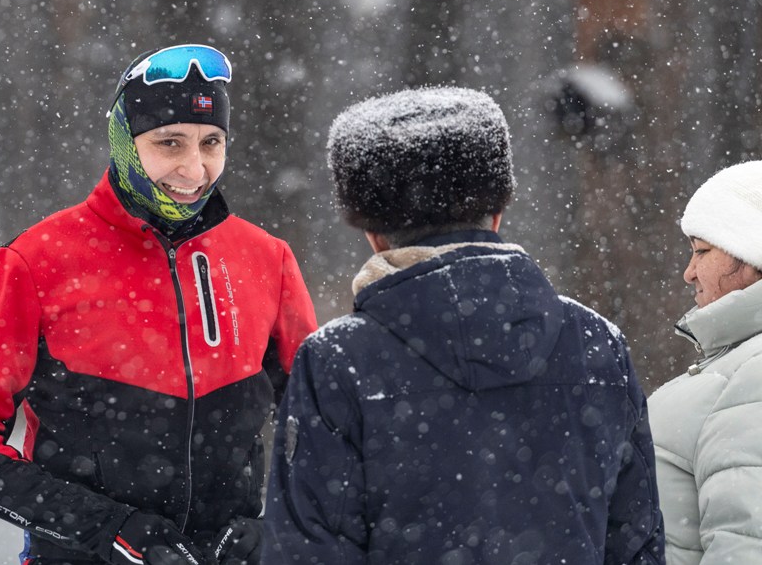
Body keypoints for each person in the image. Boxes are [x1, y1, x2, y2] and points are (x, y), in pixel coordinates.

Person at [0, 44, 318, 565]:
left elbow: (323, 426)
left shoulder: (267, 259)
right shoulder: (36, 261)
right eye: (169, 143)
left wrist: (277, 529)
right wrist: (107, 530)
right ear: (124, 143)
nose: (194, 168)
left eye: (211, 143)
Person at [262, 87, 665, 563]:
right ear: (497, 213)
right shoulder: (599, 345)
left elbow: (309, 550)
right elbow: (637, 543)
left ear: (372, 234)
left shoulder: (338, 361)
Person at [647, 160, 762, 564]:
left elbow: (747, 545)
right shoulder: (738, 362)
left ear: (751, 254)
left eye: (702, 252)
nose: (688, 273)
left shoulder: (755, 375)